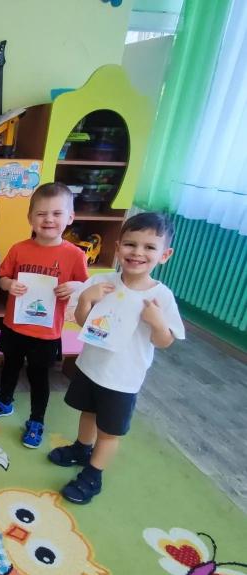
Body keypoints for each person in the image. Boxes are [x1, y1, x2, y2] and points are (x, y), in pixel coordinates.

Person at [49, 212, 184, 504]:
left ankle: (93, 474)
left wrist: (158, 323)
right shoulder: (103, 281)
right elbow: (83, 322)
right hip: (91, 367)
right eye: (131, 244)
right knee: (87, 413)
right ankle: (81, 448)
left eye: (149, 247)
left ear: (164, 255)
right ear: (118, 246)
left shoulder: (161, 297)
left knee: (109, 431)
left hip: (123, 379)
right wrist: (87, 299)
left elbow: (164, 341)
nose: (138, 252)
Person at [0, 182, 88, 448]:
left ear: (70, 217)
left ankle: (37, 420)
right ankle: (4, 401)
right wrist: (9, 285)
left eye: (57, 213)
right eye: (41, 213)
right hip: (15, 326)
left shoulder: (75, 255)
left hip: (46, 333)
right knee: (10, 367)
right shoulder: (19, 249)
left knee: (39, 378)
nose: (48, 219)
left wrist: (74, 286)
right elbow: (2, 277)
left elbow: (87, 288)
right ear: (30, 218)